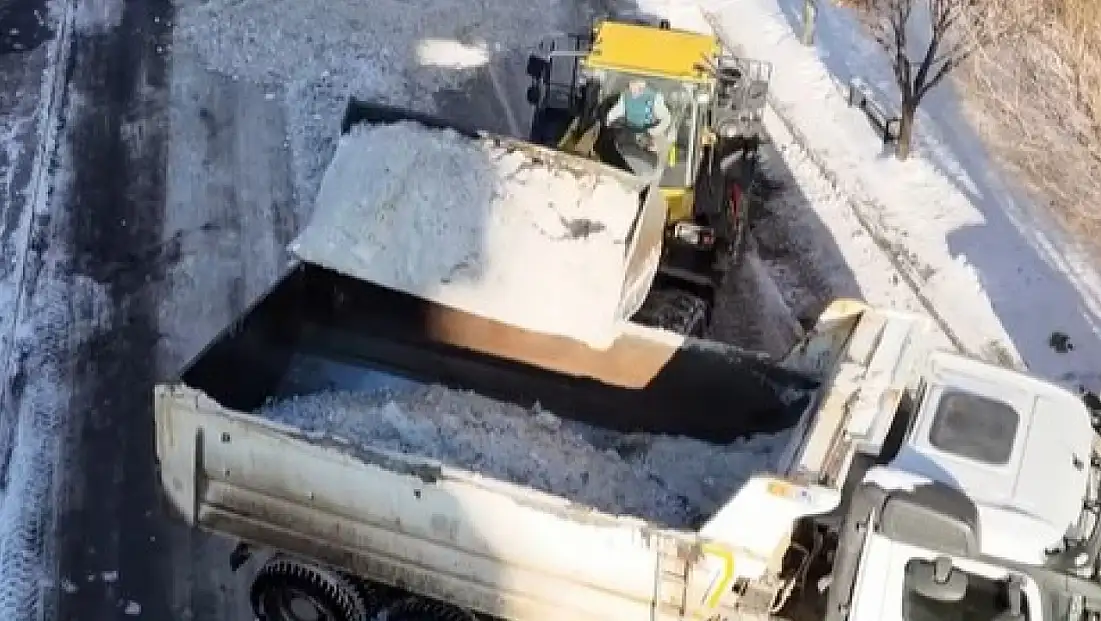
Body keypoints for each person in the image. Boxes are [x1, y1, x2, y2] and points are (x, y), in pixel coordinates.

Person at [605, 78, 673, 153]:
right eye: (631, 86)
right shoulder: (626, 94)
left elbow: (666, 119)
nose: (632, 90)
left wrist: (651, 133)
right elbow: (616, 111)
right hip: (631, 132)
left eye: (637, 88)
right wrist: (608, 123)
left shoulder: (655, 97)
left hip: (651, 132)